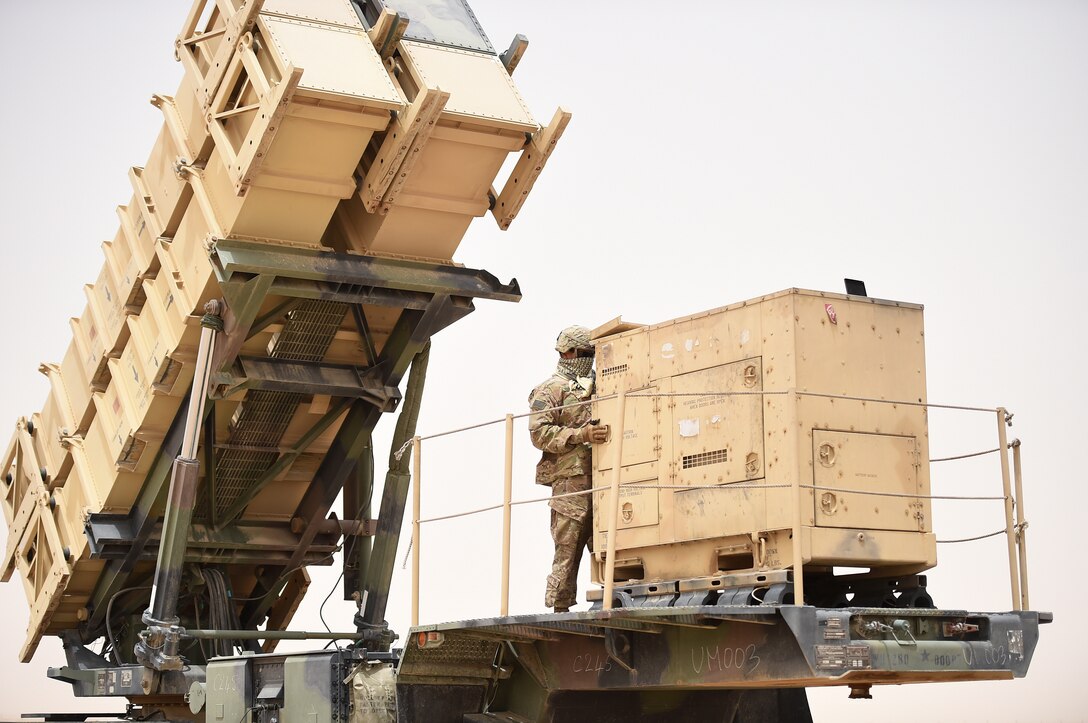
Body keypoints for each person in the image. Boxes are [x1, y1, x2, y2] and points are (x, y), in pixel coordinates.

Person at [528, 325, 609, 613]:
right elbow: (539, 433)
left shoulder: (604, 383)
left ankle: (612, 600)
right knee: (568, 547)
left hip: (605, 476)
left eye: (592, 354)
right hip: (570, 480)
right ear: (568, 352)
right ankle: (559, 608)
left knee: (608, 545)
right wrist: (580, 435)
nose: (588, 359)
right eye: (584, 353)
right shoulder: (551, 388)